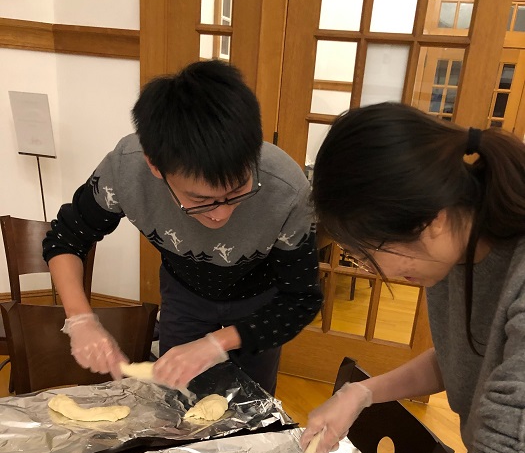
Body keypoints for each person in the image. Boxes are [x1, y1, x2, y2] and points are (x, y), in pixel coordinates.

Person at [265, 102, 525, 453]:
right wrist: (362, 393)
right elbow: (468, 356)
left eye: (368, 252)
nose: (372, 269)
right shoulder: (460, 246)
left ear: (427, 220)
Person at [43, 60, 322, 395]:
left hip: (260, 304)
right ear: (155, 165)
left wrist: (217, 343)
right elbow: (66, 238)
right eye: (201, 199)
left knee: (253, 404)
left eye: (238, 192)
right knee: (174, 401)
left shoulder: (286, 192)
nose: (221, 215)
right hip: (185, 293)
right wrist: (80, 320)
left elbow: (300, 299)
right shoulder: (127, 170)